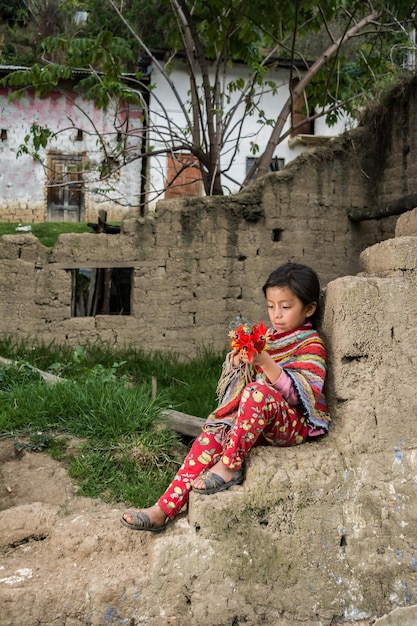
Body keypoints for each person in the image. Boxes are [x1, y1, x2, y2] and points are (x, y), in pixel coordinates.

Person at [121, 261, 330, 532]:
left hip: (292, 425)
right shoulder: (267, 338)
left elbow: (297, 396)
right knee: (214, 432)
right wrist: (241, 361)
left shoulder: (310, 345)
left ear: (309, 308)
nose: (276, 314)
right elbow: (244, 380)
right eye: (271, 306)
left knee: (257, 393)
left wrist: (265, 362)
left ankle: (229, 467)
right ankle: (163, 509)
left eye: (286, 307)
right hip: (254, 421)